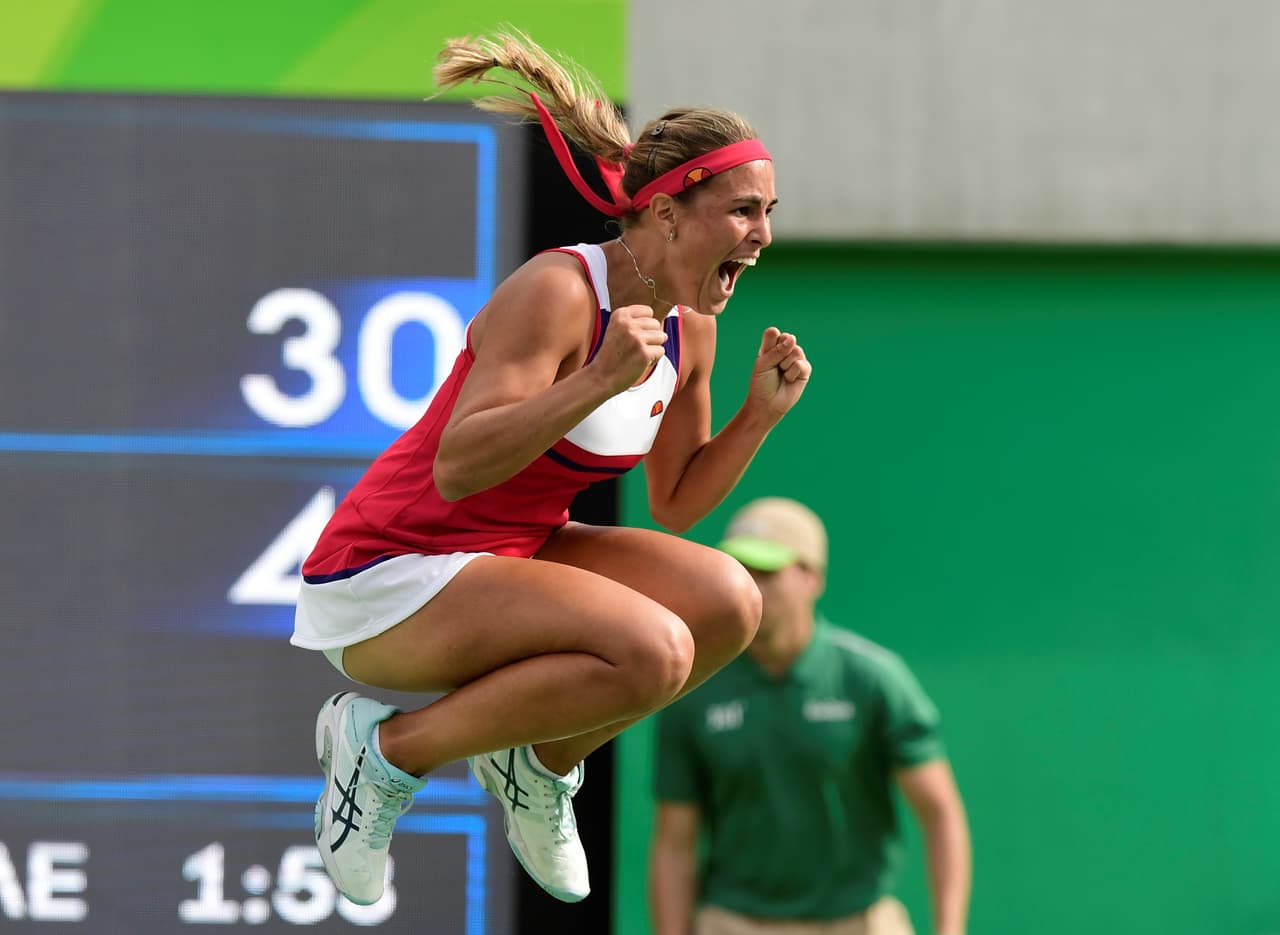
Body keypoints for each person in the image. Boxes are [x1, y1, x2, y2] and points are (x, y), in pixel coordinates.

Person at [290, 31, 811, 908]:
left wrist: (758, 416)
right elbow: (459, 467)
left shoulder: (695, 332)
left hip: (515, 551)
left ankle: (536, 764)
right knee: (655, 648)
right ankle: (381, 753)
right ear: (669, 210)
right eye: (743, 210)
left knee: (732, 603)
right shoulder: (561, 290)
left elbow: (677, 503)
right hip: (390, 571)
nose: (761, 235)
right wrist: (600, 379)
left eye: (768, 212)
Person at [650, 497, 971, 935]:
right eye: (740, 571)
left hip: (860, 922)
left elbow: (940, 813)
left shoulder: (872, 679)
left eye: (768, 572)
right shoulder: (693, 689)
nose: (751, 587)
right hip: (733, 922)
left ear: (812, 578)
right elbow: (674, 843)